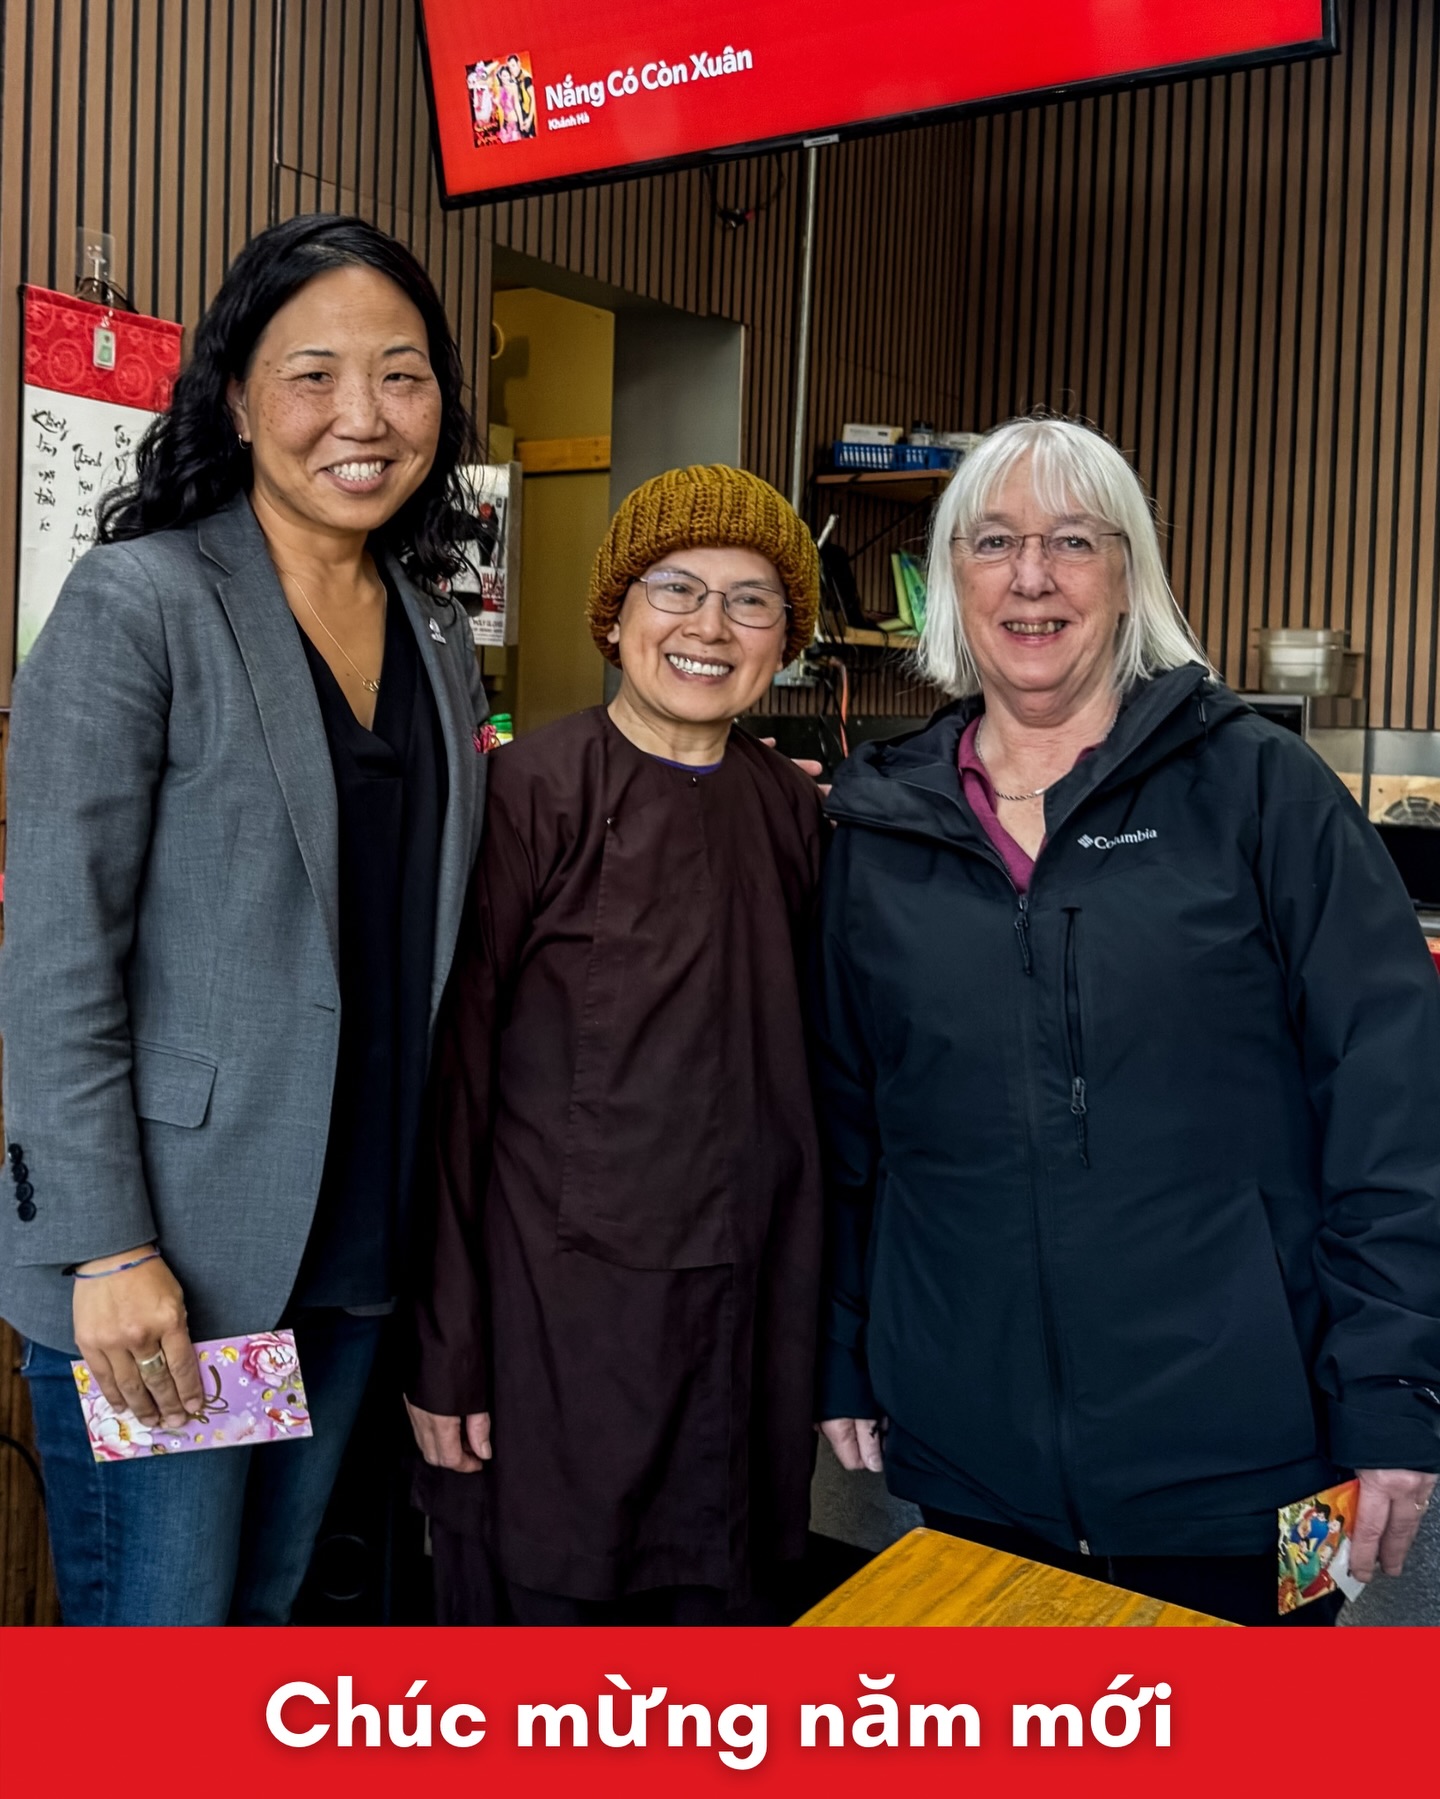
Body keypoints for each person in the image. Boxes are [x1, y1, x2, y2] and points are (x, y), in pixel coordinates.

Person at [814, 415, 1440, 1627]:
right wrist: (845, 1349)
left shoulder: (1261, 790)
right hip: (965, 1454)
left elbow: (1396, 1109)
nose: (1032, 575)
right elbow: (848, 1129)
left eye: (1073, 541)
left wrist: (1396, 1394)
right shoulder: (880, 831)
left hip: (1268, 1465)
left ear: (1131, 572)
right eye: (993, 540)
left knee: (1257, 1750)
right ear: (952, 580)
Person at [0, 214, 490, 1625]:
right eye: (314, 372)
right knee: (160, 1647)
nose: (365, 415)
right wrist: (104, 1244)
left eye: (402, 375)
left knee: (258, 1622)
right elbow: (56, 958)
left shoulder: (436, 632)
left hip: (347, 1255)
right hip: (181, 1265)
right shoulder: (142, 602)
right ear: (235, 395)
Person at [406, 465, 825, 1624]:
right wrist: (445, 1349)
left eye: (751, 602)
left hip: (748, 1322)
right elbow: (455, 1091)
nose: (707, 626)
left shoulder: (796, 816)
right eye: (675, 587)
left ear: (785, 640)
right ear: (616, 611)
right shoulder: (525, 793)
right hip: (554, 1327)